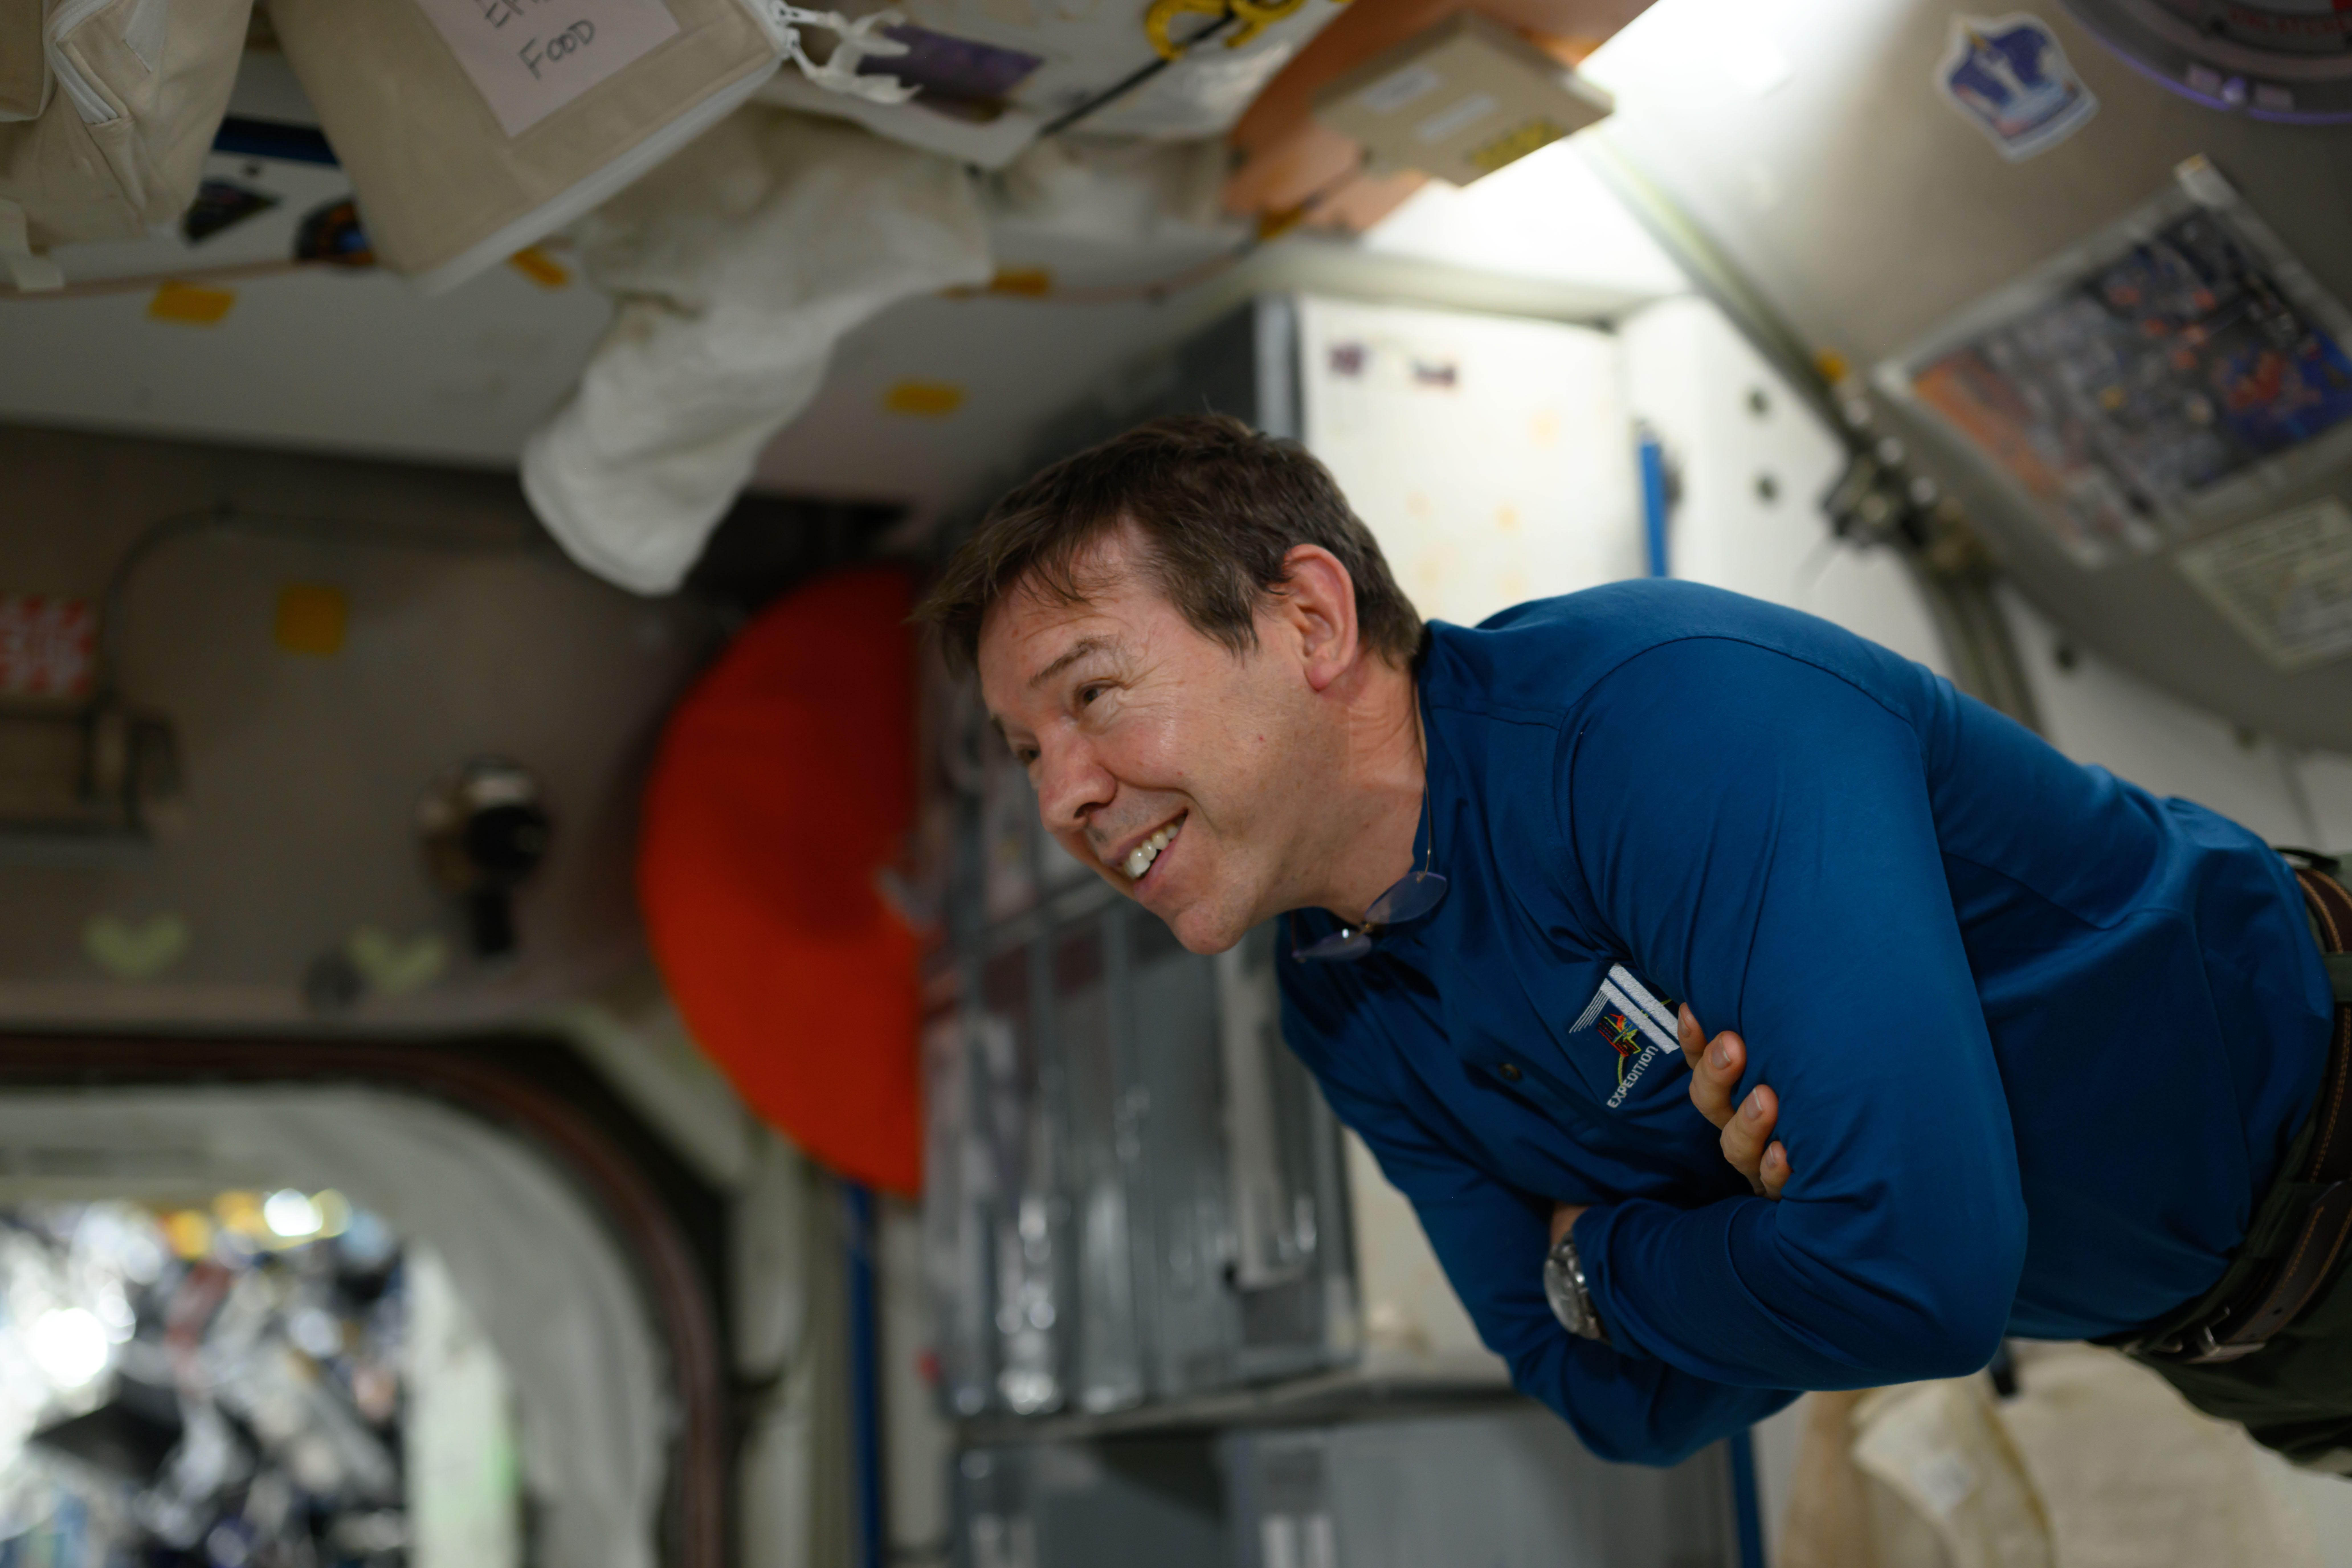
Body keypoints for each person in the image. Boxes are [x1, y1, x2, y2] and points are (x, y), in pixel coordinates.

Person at [914, 413, 2352, 1470]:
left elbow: (1918, 1277)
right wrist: (1756, 1241)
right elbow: (1611, 1404)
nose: (1063, 798)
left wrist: (1600, 1260)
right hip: (2251, 1357)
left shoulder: (1670, 724)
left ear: (1309, 617)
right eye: (1026, 752)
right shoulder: (1339, 1002)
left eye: (1092, 696)